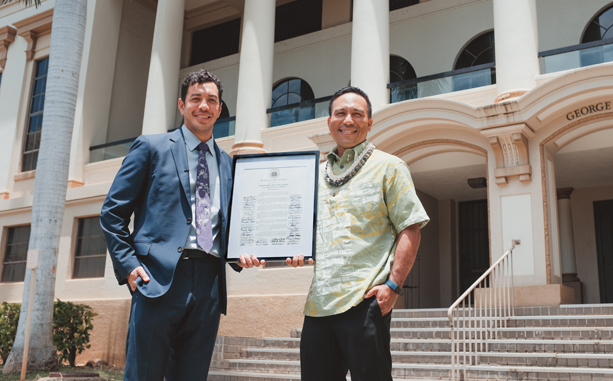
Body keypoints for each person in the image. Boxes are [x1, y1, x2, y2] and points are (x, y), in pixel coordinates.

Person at [100, 70, 264, 381]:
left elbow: (235, 223)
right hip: (157, 280)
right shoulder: (151, 148)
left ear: (219, 107)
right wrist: (129, 265)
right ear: (181, 105)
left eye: (212, 100)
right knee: (143, 375)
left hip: (210, 283)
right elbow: (112, 213)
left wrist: (246, 252)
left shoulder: (229, 163)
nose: (204, 106)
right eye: (196, 99)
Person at [293, 86, 429, 380]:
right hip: (318, 306)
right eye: (340, 113)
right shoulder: (313, 176)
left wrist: (393, 287)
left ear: (370, 123)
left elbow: (411, 227)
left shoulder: (390, 167)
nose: (348, 120)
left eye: (358, 114)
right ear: (329, 121)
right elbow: (301, 232)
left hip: (365, 301)